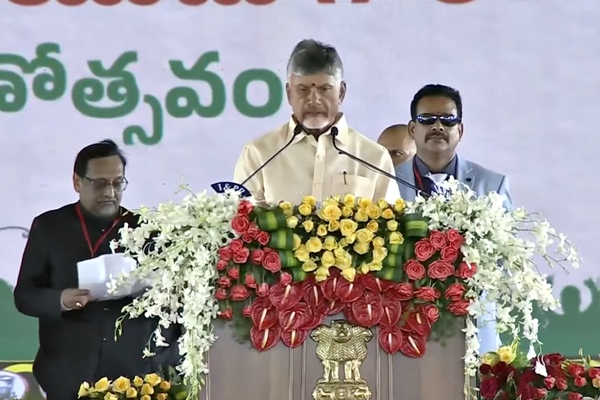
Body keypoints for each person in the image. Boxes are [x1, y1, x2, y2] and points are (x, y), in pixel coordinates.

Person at [13, 140, 181, 400]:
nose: (110, 193)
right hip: (66, 372)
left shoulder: (146, 230)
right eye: (99, 183)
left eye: (117, 183)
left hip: (133, 377)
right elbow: (25, 296)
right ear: (77, 182)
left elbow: (172, 299)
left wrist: (151, 292)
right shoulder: (49, 227)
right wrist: (60, 299)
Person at [394, 84, 512, 354]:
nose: (437, 126)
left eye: (448, 120)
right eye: (427, 119)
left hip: (473, 329)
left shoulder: (491, 185)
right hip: (406, 327)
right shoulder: (386, 182)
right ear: (412, 129)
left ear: (460, 130)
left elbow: (506, 265)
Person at [233, 39, 401, 204]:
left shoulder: (374, 158)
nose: (314, 100)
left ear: (341, 93)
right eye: (303, 90)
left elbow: (391, 225)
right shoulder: (258, 154)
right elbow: (241, 223)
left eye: (325, 89)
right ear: (289, 93)